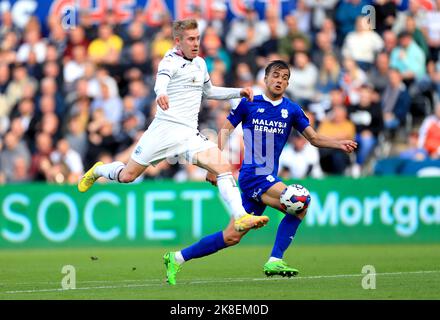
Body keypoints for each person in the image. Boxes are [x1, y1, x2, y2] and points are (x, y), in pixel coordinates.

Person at [163, 60, 358, 285]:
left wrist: (339, 144)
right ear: (265, 79)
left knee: (231, 236)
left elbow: (313, 138)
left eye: (285, 77)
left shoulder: (292, 110)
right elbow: (225, 130)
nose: (280, 80)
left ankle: (176, 258)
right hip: (253, 174)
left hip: (265, 178)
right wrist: (213, 166)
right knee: (299, 203)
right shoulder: (249, 103)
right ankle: (275, 259)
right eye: (276, 75)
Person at [78, 19, 269, 233]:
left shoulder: (200, 63)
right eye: (191, 39)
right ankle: (98, 171)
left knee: (223, 167)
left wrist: (238, 91)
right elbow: (162, 82)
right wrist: (161, 93)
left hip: (188, 134)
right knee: (127, 176)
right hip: (163, 131)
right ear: (178, 41)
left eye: (197, 38)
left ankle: (240, 216)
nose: (196, 43)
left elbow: (209, 91)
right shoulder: (169, 61)